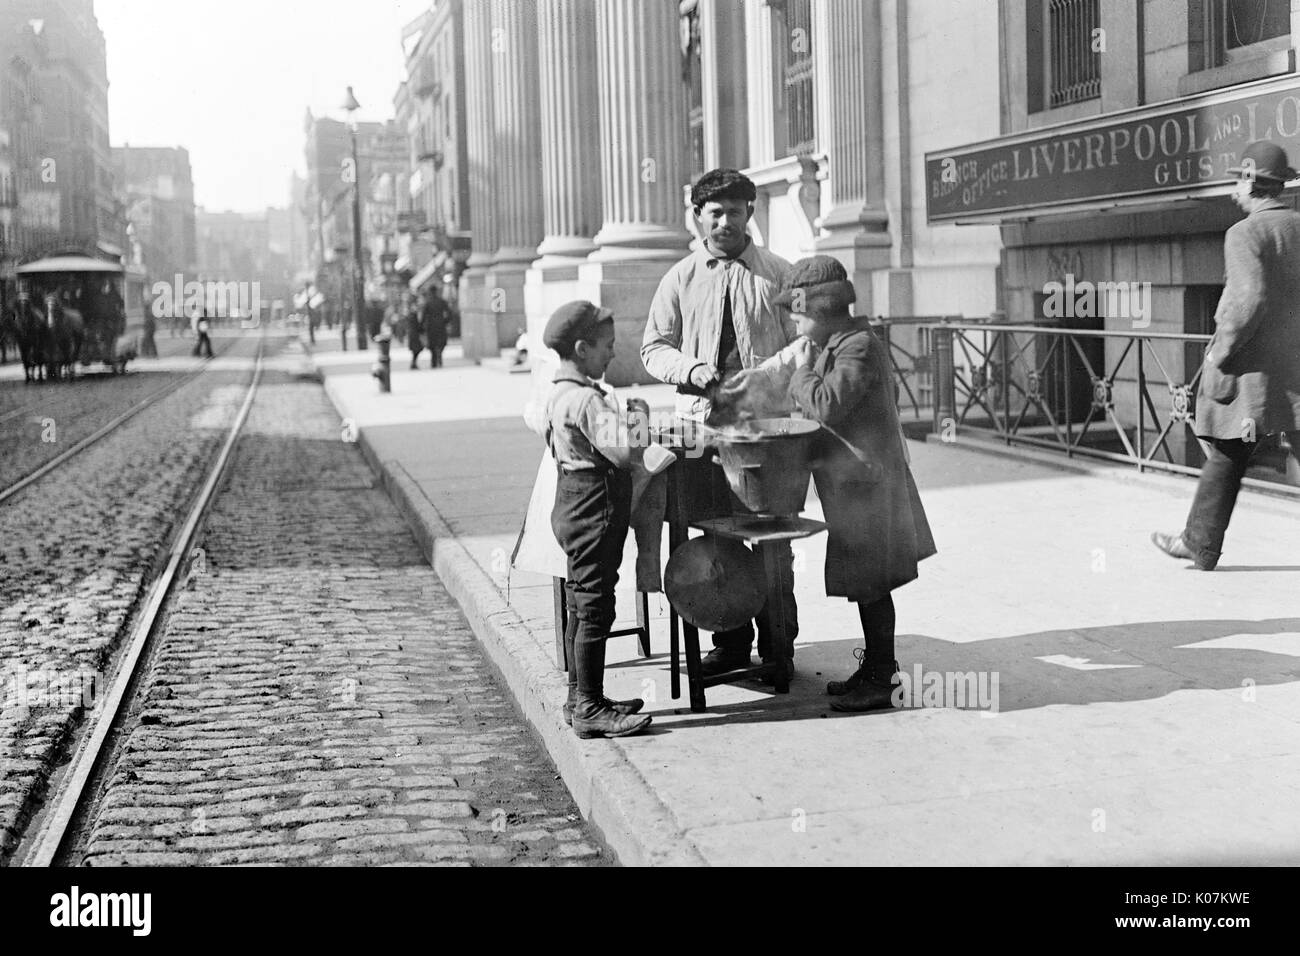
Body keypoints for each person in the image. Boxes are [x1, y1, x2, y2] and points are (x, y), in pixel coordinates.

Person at [744, 256, 937, 710]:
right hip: (852, 487)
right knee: (865, 582)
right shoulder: (838, 343)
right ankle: (874, 670)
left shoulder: (857, 347)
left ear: (822, 309)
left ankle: (882, 679)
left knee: (873, 583)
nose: (791, 321)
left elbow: (827, 405)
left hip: (869, 487)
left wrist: (799, 373)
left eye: (796, 312)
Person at [641, 167, 797, 679]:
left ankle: (778, 651)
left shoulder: (778, 274)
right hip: (703, 433)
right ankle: (730, 642)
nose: (725, 221)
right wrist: (689, 368)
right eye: (715, 212)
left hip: (764, 433)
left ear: (750, 213)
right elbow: (653, 347)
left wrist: (765, 375)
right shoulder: (679, 278)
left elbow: (804, 344)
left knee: (773, 540)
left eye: (735, 211)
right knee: (716, 537)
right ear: (698, 217)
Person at [1152, 140, 1300, 570]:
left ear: (1253, 182)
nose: (1234, 187)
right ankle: (1197, 542)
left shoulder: (1244, 233)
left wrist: (1221, 351)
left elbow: (1247, 300)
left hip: (1255, 370)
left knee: (1230, 450)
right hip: (1296, 365)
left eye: (1238, 178)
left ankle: (1199, 544)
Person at [543, 300, 653, 739]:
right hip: (595, 505)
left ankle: (579, 697)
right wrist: (639, 420)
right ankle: (590, 706)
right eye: (607, 346)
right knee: (595, 606)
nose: (613, 353)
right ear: (583, 348)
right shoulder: (587, 400)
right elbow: (626, 453)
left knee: (579, 601)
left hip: (572, 502)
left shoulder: (558, 393)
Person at [422, 286, 452, 369]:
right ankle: (439, 355)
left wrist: (421, 326)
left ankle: (434, 360)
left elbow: (424, 316)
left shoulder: (428, 303)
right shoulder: (442, 302)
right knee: (441, 342)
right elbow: (449, 312)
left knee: (432, 343)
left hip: (431, 326)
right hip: (440, 324)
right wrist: (446, 321)